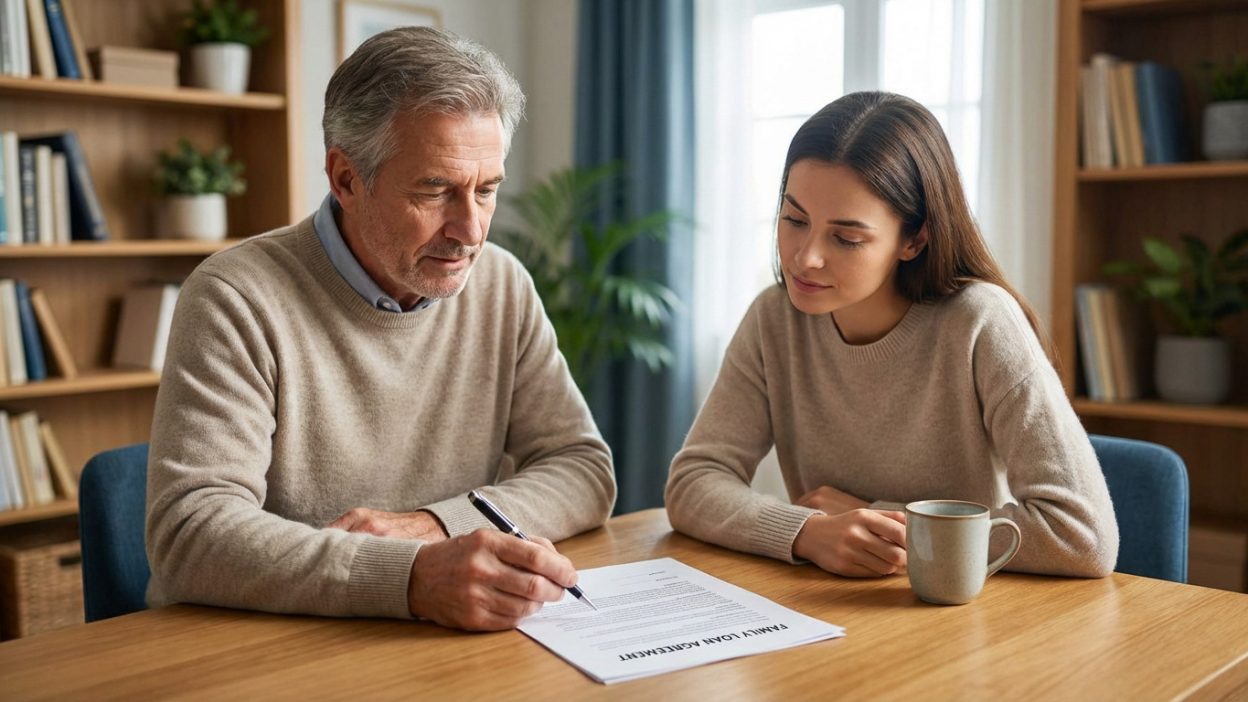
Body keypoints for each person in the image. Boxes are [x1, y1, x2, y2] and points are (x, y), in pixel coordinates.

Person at [146, 27, 615, 631]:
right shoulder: (236, 296)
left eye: (487, 190)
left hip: (429, 644)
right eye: (436, 189)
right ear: (345, 179)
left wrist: (438, 525)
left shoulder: (501, 283)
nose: (470, 230)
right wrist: (411, 576)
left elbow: (582, 467)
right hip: (264, 643)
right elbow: (190, 533)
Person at [665, 91, 1117, 579]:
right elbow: (693, 483)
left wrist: (880, 520)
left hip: (958, 618)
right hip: (829, 606)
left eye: (846, 238)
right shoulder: (774, 319)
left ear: (914, 239)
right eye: (795, 219)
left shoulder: (980, 322)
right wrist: (807, 531)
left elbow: (1081, 534)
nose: (805, 257)